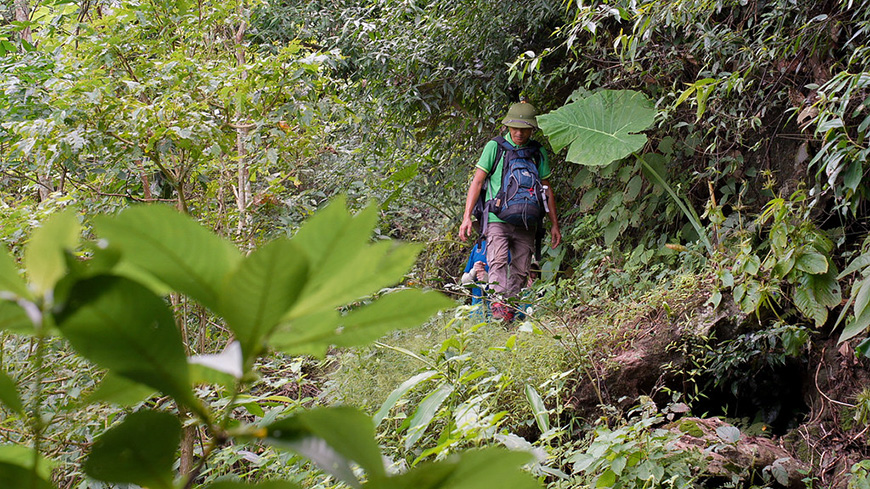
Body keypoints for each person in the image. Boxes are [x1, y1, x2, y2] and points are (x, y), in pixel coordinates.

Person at [458, 101, 561, 321]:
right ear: (507, 127)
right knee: (496, 261)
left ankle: (508, 311)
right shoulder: (494, 147)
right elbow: (477, 182)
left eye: (524, 129)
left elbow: (546, 189)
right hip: (496, 218)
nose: (519, 133)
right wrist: (466, 217)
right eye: (515, 128)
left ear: (532, 129)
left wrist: (554, 224)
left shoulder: (537, 152)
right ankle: (499, 308)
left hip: (528, 220)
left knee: (521, 270)